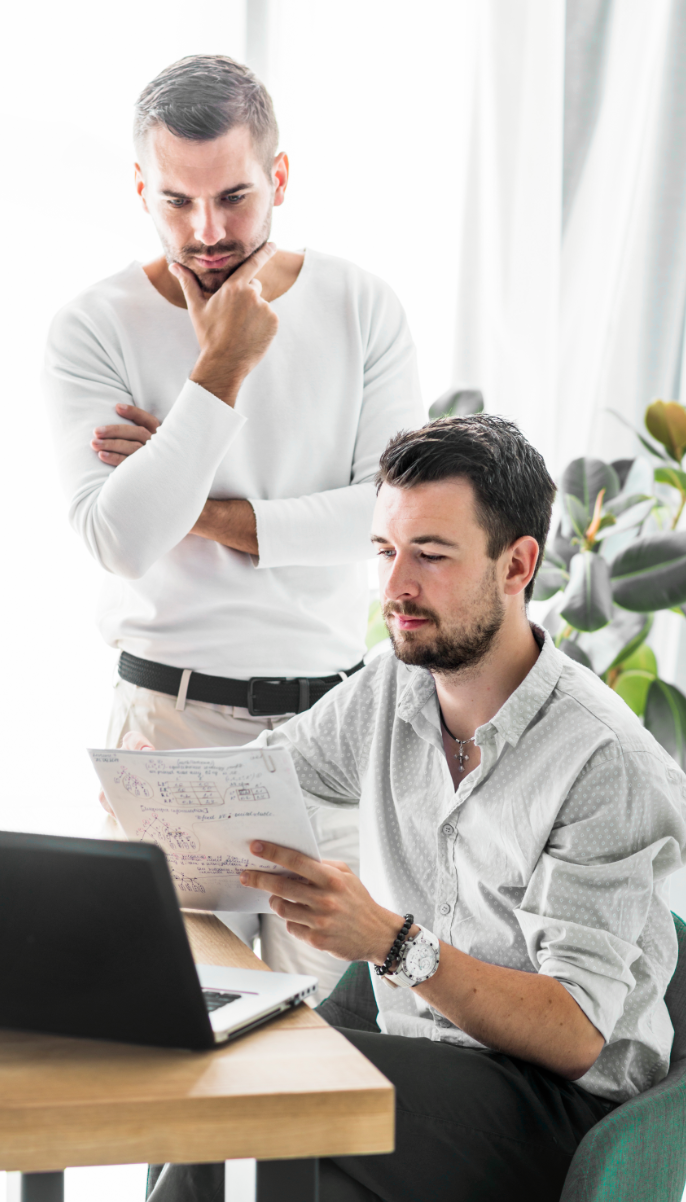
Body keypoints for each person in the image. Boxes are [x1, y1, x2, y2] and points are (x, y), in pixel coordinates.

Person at [94, 413, 686, 1202]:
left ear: (518, 565)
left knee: (255, 1100)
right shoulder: (392, 687)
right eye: (382, 550)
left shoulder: (605, 765)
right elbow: (262, 782)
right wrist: (161, 797)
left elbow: (576, 1032)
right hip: (421, 1103)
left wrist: (390, 941)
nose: (396, 586)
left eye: (431, 554)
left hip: (556, 1138)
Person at [43, 54, 423, 987]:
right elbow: (122, 540)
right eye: (176, 201)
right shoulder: (95, 326)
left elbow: (386, 522)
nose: (207, 232)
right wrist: (224, 368)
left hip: (328, 734)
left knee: (327, 1059)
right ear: (142, 188)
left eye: (235, 198)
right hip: (168, 730)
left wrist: (187, 501)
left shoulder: (363, 307)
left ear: (280, 178)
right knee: (173, 1049)